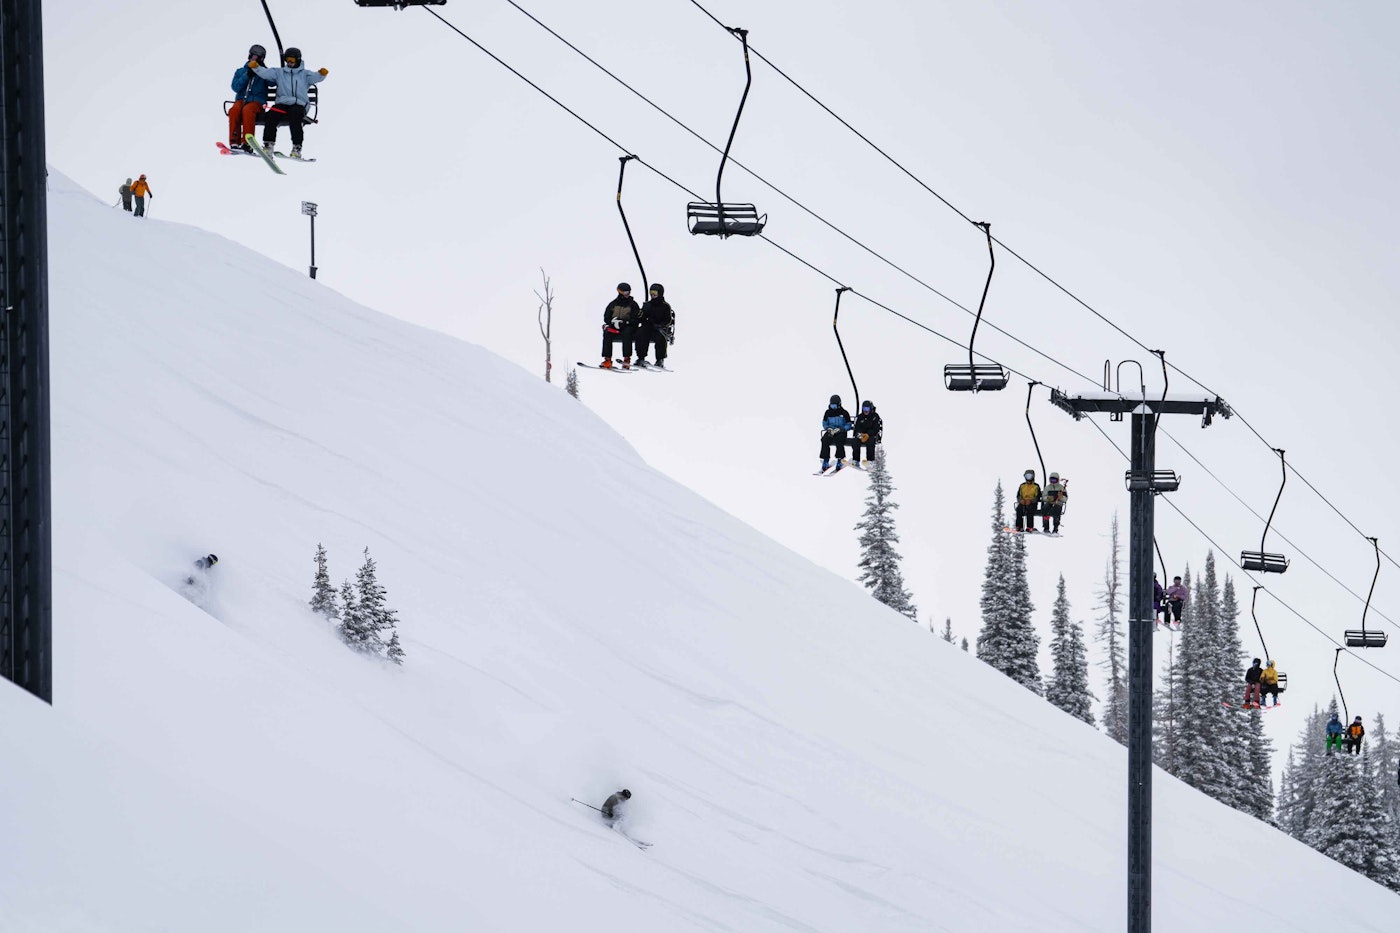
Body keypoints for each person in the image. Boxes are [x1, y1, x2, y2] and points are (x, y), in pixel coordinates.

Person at [249, 46, 327, 159]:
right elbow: (266, 73)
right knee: (271, 115)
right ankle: (268, 145)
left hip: (298, 104)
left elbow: (316, 77)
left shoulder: (305, 74)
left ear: (298, 60)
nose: (289, 63)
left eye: (292, 60)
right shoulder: (279, 73)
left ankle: (297, 148)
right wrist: (256, 68)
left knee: (295, 116)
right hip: (282, 104)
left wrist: (321, 74)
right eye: (287, 60)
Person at [229, 44, 272, 151]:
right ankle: (234, 141)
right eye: (253, 57)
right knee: (234, 110)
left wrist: (262, 71)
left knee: (247, 110)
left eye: (258, 58)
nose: (255, 60)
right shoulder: (241, 71)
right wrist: (247, 75)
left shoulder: (263, 72)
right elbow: (235, 87)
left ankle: (247, 143)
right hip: (242, 99)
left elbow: (272, 82)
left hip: (257, 102)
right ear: (250, 56)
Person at [599, 283, 639, 369]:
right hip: (615, 327)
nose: (627, 295)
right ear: (620, 292)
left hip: (627, 327)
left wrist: (626, 322)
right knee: (607, 333)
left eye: (628, 292)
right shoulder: (613, 304)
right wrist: (612, 322)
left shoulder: (633, 305)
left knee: (627, 333)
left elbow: (636, 320)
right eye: (625, 293)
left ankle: (626, 359)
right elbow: (606, 317)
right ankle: (607, 359)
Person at [634, 283, 673, 369]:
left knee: (661, 337)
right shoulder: (648, 305)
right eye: (651, 293)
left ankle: (660, 359)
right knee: (641, 333)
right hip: (648, 326)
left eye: (655, 293)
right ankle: (641, 357)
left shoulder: (665, 306)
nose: (653, 295)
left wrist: (661, 325)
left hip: (659, 328)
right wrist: (642, 315)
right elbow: (641, 318)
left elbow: (668, 319)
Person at [819, 395, 853, 473]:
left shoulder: (844, 413)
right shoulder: (828, 412)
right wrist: (828, 428)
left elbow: (848, 424)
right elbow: (824, 423)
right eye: (832, 405)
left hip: (840, 431)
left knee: (839, 440)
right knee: (824, 439)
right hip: (831, 431)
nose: (833, 407)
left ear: (839, 404)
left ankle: (840, 458)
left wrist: (842, 429)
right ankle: (825, 459)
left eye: (834, 405)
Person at [851, 401, 882, 465]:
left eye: (867, 409)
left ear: (870, 409)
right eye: (864, 409)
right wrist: (860, 434)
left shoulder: (875, 416)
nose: (865, 411)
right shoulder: (860, 417)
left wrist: (868, 434)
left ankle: (870, 460)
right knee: (855, 441)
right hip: (862, 434)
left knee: (871, 441)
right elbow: (857, 427)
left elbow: (876, 428)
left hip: (871, 435)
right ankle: (856, 460)